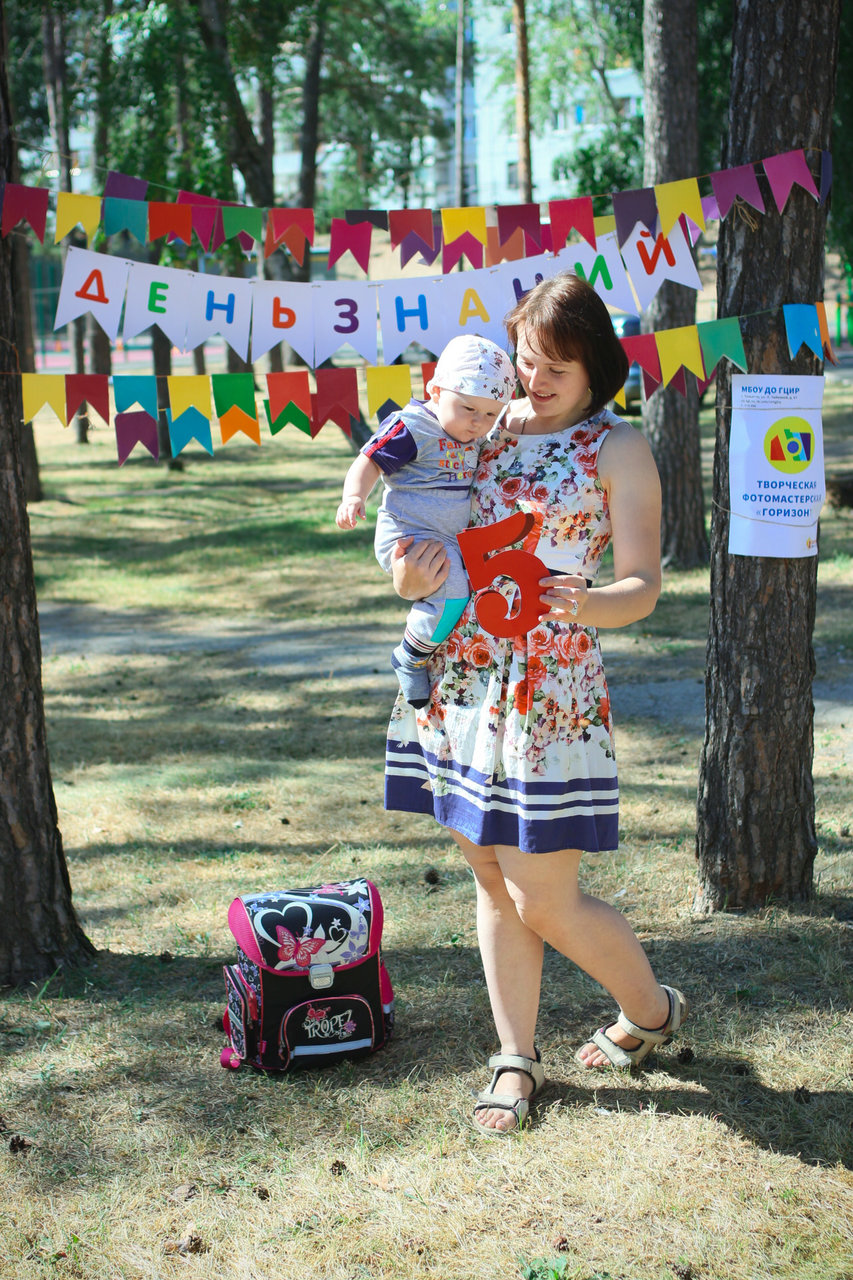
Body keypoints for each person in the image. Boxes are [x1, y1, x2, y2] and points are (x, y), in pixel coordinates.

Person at [385, 273, 688, 1136]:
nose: (537, 379)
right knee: (488, 876)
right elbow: (414, 521)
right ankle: (514, 1058)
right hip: (458, 677)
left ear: (595, 366)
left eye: (559, 365)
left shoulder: (615, 447)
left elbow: (642, 586)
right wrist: (406, 575)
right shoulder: (479, 426)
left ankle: (653, 1011)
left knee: (544, 899)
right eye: (527, 360)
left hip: (548, 690)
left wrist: (585, 601)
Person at [336, 334, 516, 706]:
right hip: (411, 534)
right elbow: (369, 460)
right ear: (435, 390)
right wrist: (354, 496)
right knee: (454, 594)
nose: (478, 423)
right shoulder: (414, 426)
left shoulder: (471, 434)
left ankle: (428, 652)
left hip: (448, 539)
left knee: (466, 594)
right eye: (468, 409)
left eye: (489, 414)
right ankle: (409, 657)